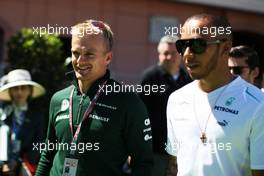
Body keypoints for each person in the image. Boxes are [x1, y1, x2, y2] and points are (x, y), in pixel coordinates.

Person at [36, 19, 153, 176]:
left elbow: (143, 163)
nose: (80, 61)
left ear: (108, 58)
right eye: (75, 53)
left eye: (89, 54)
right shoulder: (58, 99)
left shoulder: (127, 102)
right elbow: (47, 155)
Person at [166, 13, 264, 176]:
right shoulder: (176, 99)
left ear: (225, 48)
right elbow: (174, 165)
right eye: (182, 46)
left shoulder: (257, 105)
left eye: (198, 45)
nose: (187, 54)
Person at [139, 35, 191, 176]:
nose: (169, 57)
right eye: (165, 53)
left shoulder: (188, 80)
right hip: (155, 150)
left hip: (182, 151)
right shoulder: (149, 78)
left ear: (180, 55)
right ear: (159, 55)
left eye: (173, 53)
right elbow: (139, 115)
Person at [0, 69, 46, 175]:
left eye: (23, 88)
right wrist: (2, 163)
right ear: (10, 91)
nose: (19, 92)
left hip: (24, 167)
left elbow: (39, 144)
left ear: (29, 91)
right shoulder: (3, 114)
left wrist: (19, 162)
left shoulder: (37, 117)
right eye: (15, 88)